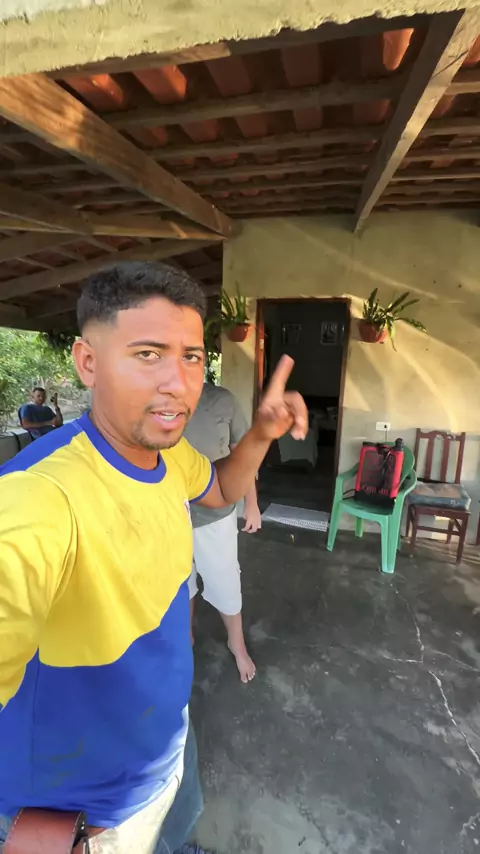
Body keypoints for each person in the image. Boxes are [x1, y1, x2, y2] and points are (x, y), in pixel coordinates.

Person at [0, 262, 307, 854]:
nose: (178, 383)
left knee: (179, 827)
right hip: (89, 813)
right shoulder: (38, 497)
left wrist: (261, 434)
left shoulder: (168, 458)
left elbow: (220, 488)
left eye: (191, 357)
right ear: (87, 362)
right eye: (148, 354)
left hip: (167, 740)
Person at [185, 382, 261, 683]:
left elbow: (244, 457)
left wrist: (251, 504)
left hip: (215, 514)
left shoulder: (222, 400)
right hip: (168, 511)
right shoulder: (159, 397)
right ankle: (185, 637)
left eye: (192, 359)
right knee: (180, 582)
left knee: (225, 579)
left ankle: (236, 644)